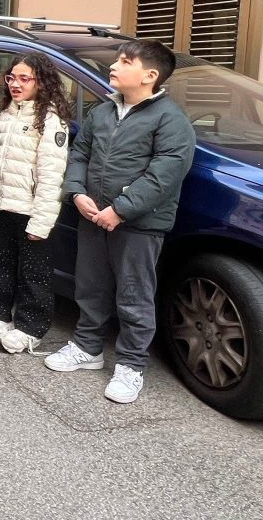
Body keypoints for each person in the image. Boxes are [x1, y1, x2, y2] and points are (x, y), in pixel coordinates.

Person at [45, 40, 194, 404]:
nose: (114, 66)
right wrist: (76, 192)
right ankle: (87, 347)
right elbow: (81, 153)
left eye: (125, 61)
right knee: (91, 286)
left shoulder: (171, 121)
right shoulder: (104, 111)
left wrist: (121, 209)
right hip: (92, 215)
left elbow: (164, 175)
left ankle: (130, 365)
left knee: (134, 295)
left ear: (150, 75)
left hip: (138, 225)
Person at [0, 52, 70, 354]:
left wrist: (42, 220)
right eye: (11, 78)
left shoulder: (49, 120)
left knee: (33, 274)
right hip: (3, 205)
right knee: (1, 265)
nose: (15, 84)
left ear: (41, 82)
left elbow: (51, 175)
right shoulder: (5, 114)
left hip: (31, 210)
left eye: (24, 78)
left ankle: (30, 329)